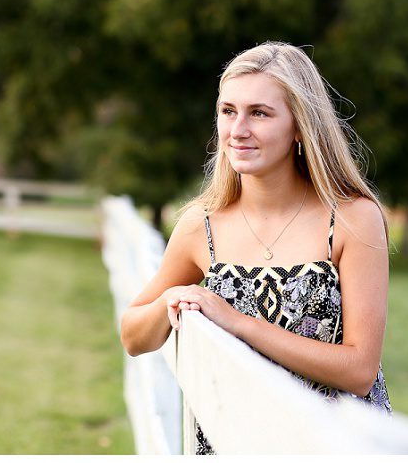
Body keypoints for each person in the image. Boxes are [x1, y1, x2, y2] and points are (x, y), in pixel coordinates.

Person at [118, 43, 392, 453]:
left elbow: (359, 370)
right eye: (228, 111)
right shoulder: (202, 226)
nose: (237, 130)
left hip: (332, 447)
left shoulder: (351, 219)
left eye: (259, 113)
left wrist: (238, 323)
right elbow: (132, 335)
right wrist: (171, 300)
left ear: (300, 125)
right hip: (235, 447)